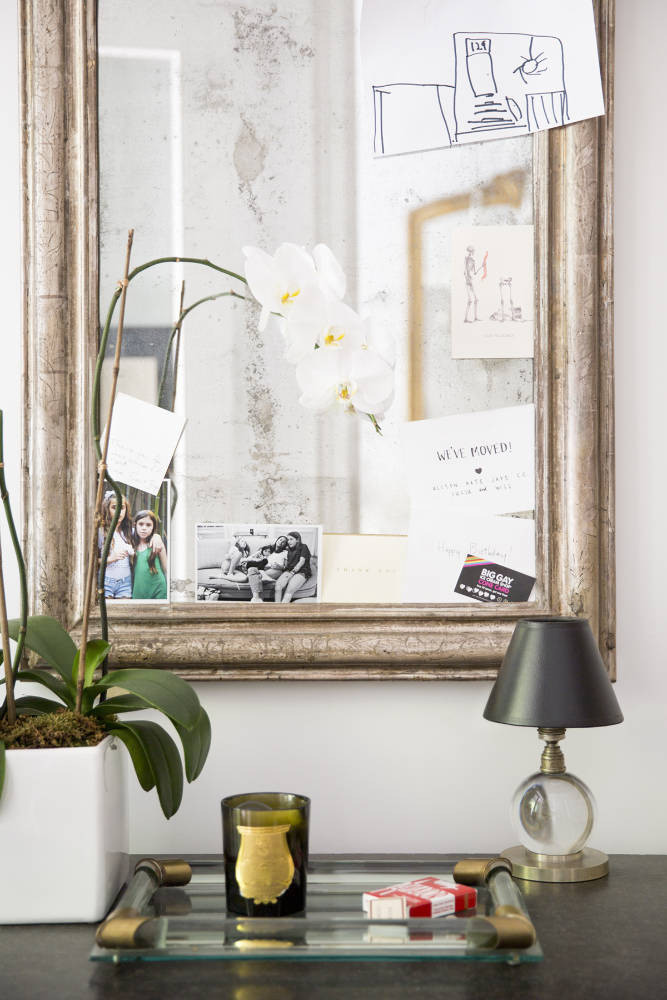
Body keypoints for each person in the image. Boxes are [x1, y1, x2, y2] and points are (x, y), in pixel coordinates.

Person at [99, 491, 134, 599]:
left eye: (122, 508)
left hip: (125, 582)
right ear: (107, 509)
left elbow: (148, 537)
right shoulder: (101, 532)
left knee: (123, 614)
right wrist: (110, 559)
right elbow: (91, 562)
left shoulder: (129, 531)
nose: (119, 511)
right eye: (114, 507)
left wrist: (157, 537)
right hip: (106, 581)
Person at [132, 509, 168, 600]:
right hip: (139, 590)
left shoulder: (156, 543)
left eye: (148, 525)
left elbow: (166, 569)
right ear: (135, 525)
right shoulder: (130, 543)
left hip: (158, 589)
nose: (144, 528)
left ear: (153, 527)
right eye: (141, 524)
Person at [247, 536, 289, 603]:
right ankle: (257, 598)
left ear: (285, 545)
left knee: (256, 576)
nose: (281, 542)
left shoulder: (285, 552)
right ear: (277, 540)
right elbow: (254, 556)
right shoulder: (269, 549)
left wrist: (280, 567)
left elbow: (286, 567)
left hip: (276, 570)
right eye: (280, 539)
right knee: (251, 569)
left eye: (284, 542)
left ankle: (256, 598)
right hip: (263, 568)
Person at [273, 531, 313, 603]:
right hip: (289, 570)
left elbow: (301, 562)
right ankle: (277, 608)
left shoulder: (303, 546)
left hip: (302, 571)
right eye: (288, 540)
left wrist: (292, 573)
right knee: (278, 587)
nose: (289, 541)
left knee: (289, 590)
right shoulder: (288, 550)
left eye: (291, 539)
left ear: (297, 539)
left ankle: (283, 610)